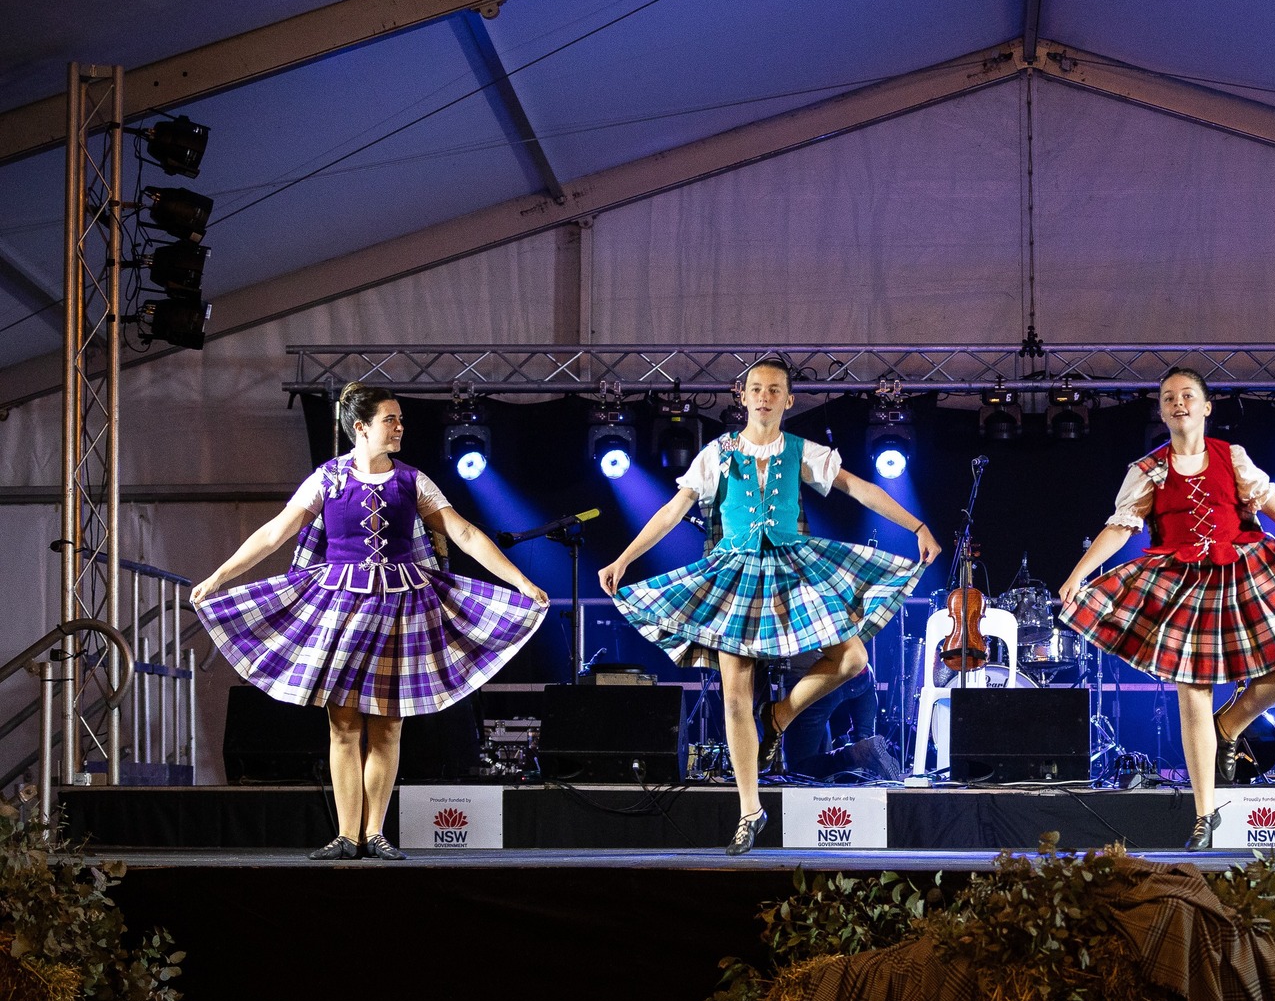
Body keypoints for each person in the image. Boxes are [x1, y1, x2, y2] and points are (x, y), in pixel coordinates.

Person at [192, 383, 548, 860]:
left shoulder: (412, 481)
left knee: (388, 725)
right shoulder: (327, 479)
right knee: (343, 724)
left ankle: (374, 832)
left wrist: (520, 581)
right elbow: (277, 532)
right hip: (340, 608)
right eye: (390, 419)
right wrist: (220, 575)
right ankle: (346, 834)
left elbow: (463, 531)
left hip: (400, 610)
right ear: (360, 428)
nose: (400, 426)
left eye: (400, 419)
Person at [600, 357, 940, 854]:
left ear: (788, 399)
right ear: (742, 397)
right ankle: (749, 810)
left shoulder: (800, 451)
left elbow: (858, 487)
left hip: (790, 569)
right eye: (755, 388)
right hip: (736, 575)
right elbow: (674, 510)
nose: (763, 396)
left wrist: (917, 526)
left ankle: (779, 714)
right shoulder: (718, 454)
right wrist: (626, 558)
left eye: (773, 389)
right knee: (735, 695)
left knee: (852, 659)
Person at [1059, 367, 1275, 849]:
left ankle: (1229, 725)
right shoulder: (1147, 470)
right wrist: (1078, 574)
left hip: (1242, 573)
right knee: (1192, 690)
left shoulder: (1233, 458)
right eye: (1168, 397)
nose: (1178, 403)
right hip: (1183, 584)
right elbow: (1120, 528)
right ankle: (1205, 817)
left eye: (1187, 396)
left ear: (1206, 407)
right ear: (1162, 410)